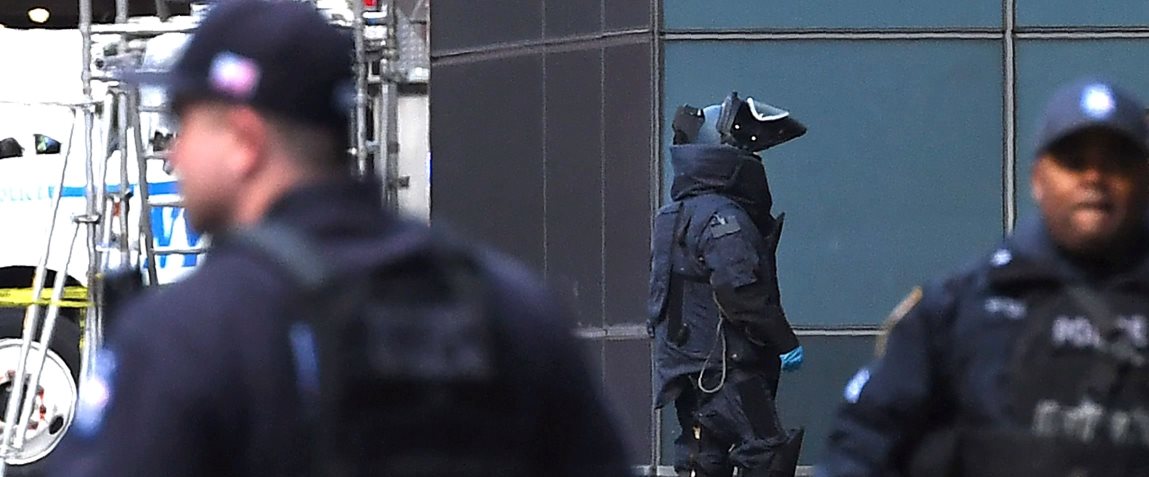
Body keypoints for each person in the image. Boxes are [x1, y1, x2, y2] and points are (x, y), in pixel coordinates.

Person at [46, 1, 632, 475]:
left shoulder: (189, 336)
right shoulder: (514, 308)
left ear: (244, 141)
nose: (172, 154)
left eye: (182, 123)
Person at [817, 78, 1149, 477]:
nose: (1094, 178)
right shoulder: (959, 307)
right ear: (1038, 179)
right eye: (1075, 162)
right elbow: (861, 444)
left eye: (1116, 163)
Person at [648, 92, 807, 477]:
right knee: (767, 452)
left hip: (688, 368)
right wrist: (784, 342)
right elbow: (741, 292)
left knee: (703, 457)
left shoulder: (673, 214)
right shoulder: (723, 217)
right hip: (728, 367)